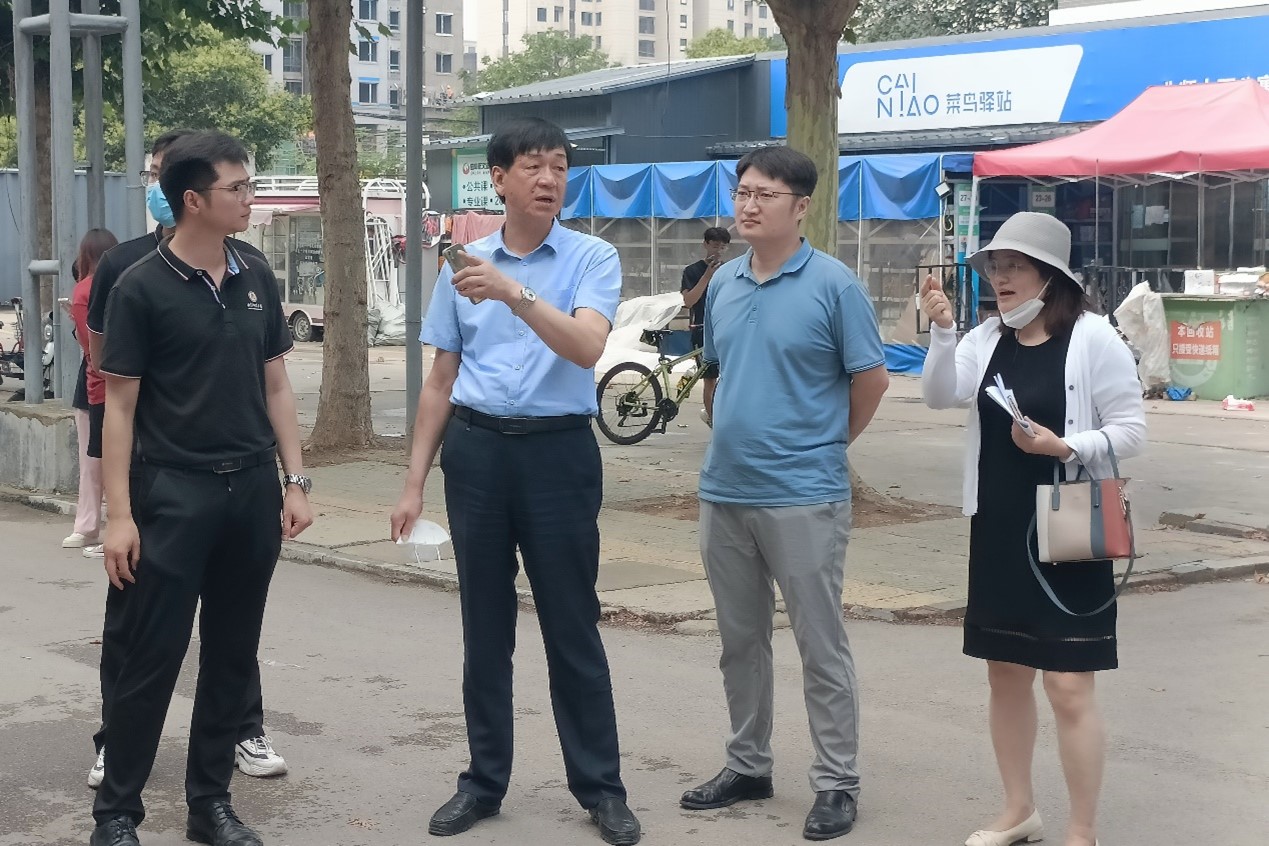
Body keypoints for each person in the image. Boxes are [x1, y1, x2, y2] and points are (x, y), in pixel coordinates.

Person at [390, 117, 641, 846]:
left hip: (558, 455)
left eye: (559, 166)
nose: (548, 179)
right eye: (532, 166)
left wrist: (512, 292)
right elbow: (440, 380)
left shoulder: (591, 256)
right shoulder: (463, 267)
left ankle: (601, 789)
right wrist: (413, 483)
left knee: (572, 624)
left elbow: (588, 346)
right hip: (476, 454)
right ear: (498, 179)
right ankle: (482, 781)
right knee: (484, 625)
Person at [90, 131, 313, 846]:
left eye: (249, 185)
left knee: (231, 654)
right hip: (172, 493)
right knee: (150, 657)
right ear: (193, 199)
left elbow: (276, 384)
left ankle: (209, 804)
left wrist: (295, 480)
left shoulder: (255, 274)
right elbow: (119, 407)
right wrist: (119, 516)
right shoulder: (140, 285)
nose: (250, 198)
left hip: (250, 491)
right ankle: (117, 815)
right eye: (237, 188)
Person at [680, 146, 890, 841]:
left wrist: (825, 444)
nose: (748, 204)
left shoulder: (834, 285)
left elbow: (870, 381)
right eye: (742, 191)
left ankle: (836, 782)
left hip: (803, 494)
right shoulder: (725, 283)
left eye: (764, 194)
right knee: (739, 642)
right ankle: (747, 764)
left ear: (800, 207)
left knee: (819, 645)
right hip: (725, 491)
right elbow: (715, 372)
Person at [919, 212, 1146, 846]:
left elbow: (1132, 430)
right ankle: (1018, 809)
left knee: (1069, 685)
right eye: (995, 266)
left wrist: (1065, 446)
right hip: (999, 522)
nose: (1001, 278)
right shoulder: (986, 336)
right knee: (1006, 672)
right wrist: (942, 332)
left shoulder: (1094, 338)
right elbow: (940, 394)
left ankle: (1082, 829)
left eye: (1015, 266)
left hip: (1071, 523)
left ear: (1051, 275)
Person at [64, 228, 118, 554]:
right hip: (123, 383)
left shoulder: (85, 290)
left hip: (98, 384)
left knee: (95, 459)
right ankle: (94, 526)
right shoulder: (129, 284)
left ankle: (92, 527)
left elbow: (89, 347)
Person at [680, 226, 730, 424]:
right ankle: (714, 422)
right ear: (705, 244)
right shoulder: (692, 271)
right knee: (710, 378)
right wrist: (707, 276)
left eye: (723, 247)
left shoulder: (730, 271)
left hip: (726, 329)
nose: (718, 251)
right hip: (701, 329)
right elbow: (688, 301)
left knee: (730, 376)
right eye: (715, 246)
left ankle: (723, 417)